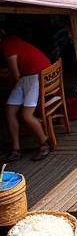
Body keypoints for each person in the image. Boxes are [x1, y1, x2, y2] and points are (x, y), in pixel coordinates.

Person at [1, 26, 52, 161]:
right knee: (9, 110)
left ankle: (44, 143)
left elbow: (15, 75)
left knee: (26, 116)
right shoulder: (11, 41)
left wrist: (8, 83)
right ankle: (16, 149)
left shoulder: (7, 46)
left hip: (35, 76)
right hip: (28, 75)